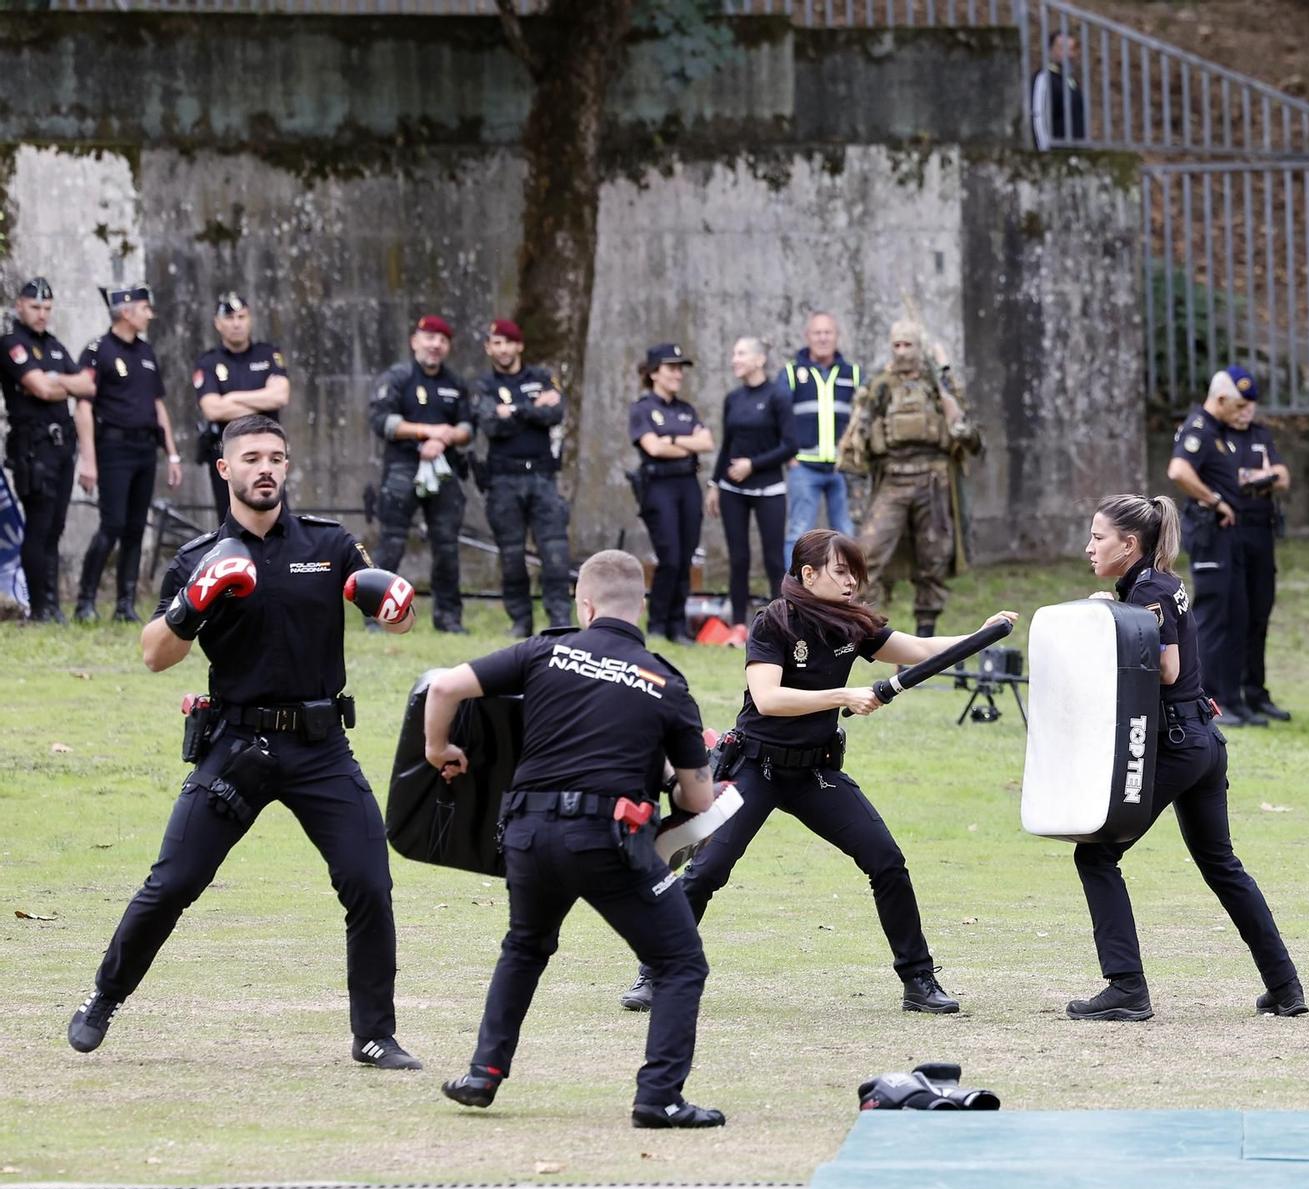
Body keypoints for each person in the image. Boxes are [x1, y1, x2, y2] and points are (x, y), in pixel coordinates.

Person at [66, 414, 424, 1070]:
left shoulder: (331, 543)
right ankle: (103, 996)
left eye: (277, 457)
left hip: (321, 746)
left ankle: (374, 1033)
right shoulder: (196, 557)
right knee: (174, 881)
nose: (266, 467)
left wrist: (397, 606)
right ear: (225, 469)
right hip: (238, 745)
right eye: (252, 456)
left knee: (369, 882)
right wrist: (193, 601)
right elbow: (154, 655)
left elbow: (394, 619)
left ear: (287, 468)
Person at [619, 529, 1008, 1016]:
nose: (851, 583)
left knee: (886, 861)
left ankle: (919, 981)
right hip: (755, 767)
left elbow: (922, 649)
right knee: (706, 872)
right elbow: (769, 699)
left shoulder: (853, 625)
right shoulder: (773, 623)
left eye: (855, 574)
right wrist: (843, 696)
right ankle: (655, 972)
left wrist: (982, 634)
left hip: (815, 773)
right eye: (841, 572)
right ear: (809, 573)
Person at [421, 549, 724, 1130]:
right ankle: (658, 1097)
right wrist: (671, 771)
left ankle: (483, 1073)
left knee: (525, 947)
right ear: (640, 606)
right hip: (606, 840)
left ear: (584, 605)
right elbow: (697, 802)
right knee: (680, 961)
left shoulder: (544, 650)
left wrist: (439, 750)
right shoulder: (666, 682)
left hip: (529, 835)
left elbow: (444, 689)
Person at [1064, 494, 1304, 1022]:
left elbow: (1167, 668)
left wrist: (1111, 617)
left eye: (1098, 537)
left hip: (1176, 744)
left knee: (1096, 856)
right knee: (1221, 865)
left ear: (1129, 545)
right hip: (1202, 741)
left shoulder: (1147, 588)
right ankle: (1285, 986)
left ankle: (1126, 989)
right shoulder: (1156, 584)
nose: (1090, 547)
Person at [839, 320, 979, 637]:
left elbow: (973, 438)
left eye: (908, 345)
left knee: (934, 559)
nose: (902, 352)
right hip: (893, 478)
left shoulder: (939, 386)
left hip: (934, 481)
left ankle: (925, 638)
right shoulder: (881, 385)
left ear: (920, 348)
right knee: (867, 555)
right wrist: (857, 490)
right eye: (897, 345)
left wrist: (958, 425)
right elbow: (855, 439)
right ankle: (872, 635)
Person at [74, 284, 181, 623]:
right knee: (112, 525)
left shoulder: (147, 353)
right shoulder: (97, 350)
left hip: (144, 448)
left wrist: (172, 454)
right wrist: (88, 460)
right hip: (113, 448)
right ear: (125, 311)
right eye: (144, 308)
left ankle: (125, 605)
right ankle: (85, 601)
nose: (149, 314)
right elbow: (83, 408)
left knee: (136, 528)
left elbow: (157, 405)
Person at [368, 314, 472, 634]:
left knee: (447, 546)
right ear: (415, 341)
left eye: (442, 340)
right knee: (392, 544)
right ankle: (377, 615)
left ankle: (449, 619)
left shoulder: (455, 383)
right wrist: (426, 433)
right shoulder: (397, 378)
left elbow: (468, 428)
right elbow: (382, 421)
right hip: (402, 468)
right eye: (429, 338)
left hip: (443, 471)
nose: (435, 345)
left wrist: (443, 439)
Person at [1165, 367, 1257, 726]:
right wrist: (1215, 500)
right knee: (1213, 618)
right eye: (1238, 407)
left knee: (1235, 614)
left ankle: (1230, 698)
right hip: (1210, 534)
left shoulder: (1219, 431)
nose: (1243, 414)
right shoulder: (1199, 429)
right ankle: (1203, 697)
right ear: (1219, 400)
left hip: (1228, 538)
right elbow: (1178, 471)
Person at [472, 318, 572, 638]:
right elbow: (490, 424)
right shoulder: (483, 386)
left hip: (543, 477)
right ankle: (520, 622)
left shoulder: (542, 377)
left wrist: (512, 410)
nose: (503, 349)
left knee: (554, 554)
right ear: (489, 348)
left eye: (508, 342)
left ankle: (559, 620)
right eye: (496, 343)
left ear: (520, 345)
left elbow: (554, 414)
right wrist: (530, 409)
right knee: (512, 556)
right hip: (503, 480)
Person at [2, 277, 93, 623]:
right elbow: (38, 387)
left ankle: (52, 605)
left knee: (56, 526)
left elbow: (87, 384)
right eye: (35, 307)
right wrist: (56, 383)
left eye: (47, 309)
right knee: (39, 526)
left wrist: (58, 382)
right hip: (33, 447)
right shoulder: (12, 343)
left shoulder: (53, 345)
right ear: (20, 306)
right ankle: (38, 607)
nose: (41, 314)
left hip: (61, 446)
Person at [707, 336, 795, 629]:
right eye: (734, 353)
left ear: (759, 360)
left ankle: (779, 623)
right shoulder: (732, 399)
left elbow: (791, 446)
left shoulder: (778, 395)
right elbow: (727, 445)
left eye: (741, 353)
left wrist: (752, 465)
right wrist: (714, 484)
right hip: (733, 490)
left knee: (773, 560)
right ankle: (738, 626)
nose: (735, 359)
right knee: (739, 558)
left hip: (769, 489)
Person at [628, 342, 713, 642]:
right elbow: (653, 447)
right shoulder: (643, 408)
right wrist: (683, 441)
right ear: (654, 373)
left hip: (687, 485)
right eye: (671, 368)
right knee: (670, 557)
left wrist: (672, 439)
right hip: (658, 487)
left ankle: (677, 626)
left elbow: (706, 443)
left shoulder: (686, 409)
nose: (678, 374)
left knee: (686, 557)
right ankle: (657, 623)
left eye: (680, 368)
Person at [191, 292, 289, 525]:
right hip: (229, 451)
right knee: (232, 521)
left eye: (241, 317)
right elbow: (213, 409)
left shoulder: (268, 354)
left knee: (276, 518)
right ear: (218, 323)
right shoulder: (209, 362)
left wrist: (233, 398)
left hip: (266, 449)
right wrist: (260, 402)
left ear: (250, 319)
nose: (236, 324)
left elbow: (280, 395)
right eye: (230, 318)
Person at [1229, 395, 1292, 722]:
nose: (1245, 413)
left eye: (1249, 406)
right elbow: (1231, 480)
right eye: (1239, 406)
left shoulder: (1260, 434)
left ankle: (1255, 691)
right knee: (1233, 615)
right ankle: (1230, 693)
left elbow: (1282, 477)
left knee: (1259, 613)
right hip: (1230, 531)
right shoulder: (1216, 434)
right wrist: (1258, 478)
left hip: (1261, 532)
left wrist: (1252, 479)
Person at [781, 312, 861, 563]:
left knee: (846, 534)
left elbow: (865, 418)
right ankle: (793, 596)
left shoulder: (854, 374)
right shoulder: (792, 373)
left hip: (842, 469)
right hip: (804, 467)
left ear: (837, 337)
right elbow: (777, 417)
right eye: (817, 333)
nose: (823, 338)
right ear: (808, 337)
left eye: (828, 332)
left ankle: (847, 596)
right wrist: (790, 457)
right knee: (798, 534)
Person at [1031, 30, 1087, 150]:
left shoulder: (1070, 81)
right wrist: (1045, 155)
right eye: (1062, 48)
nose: (1069, 54)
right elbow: (1038, 118)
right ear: (1051, 50)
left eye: (1072, 49)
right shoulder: (1045, 78)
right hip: (1055, 156)